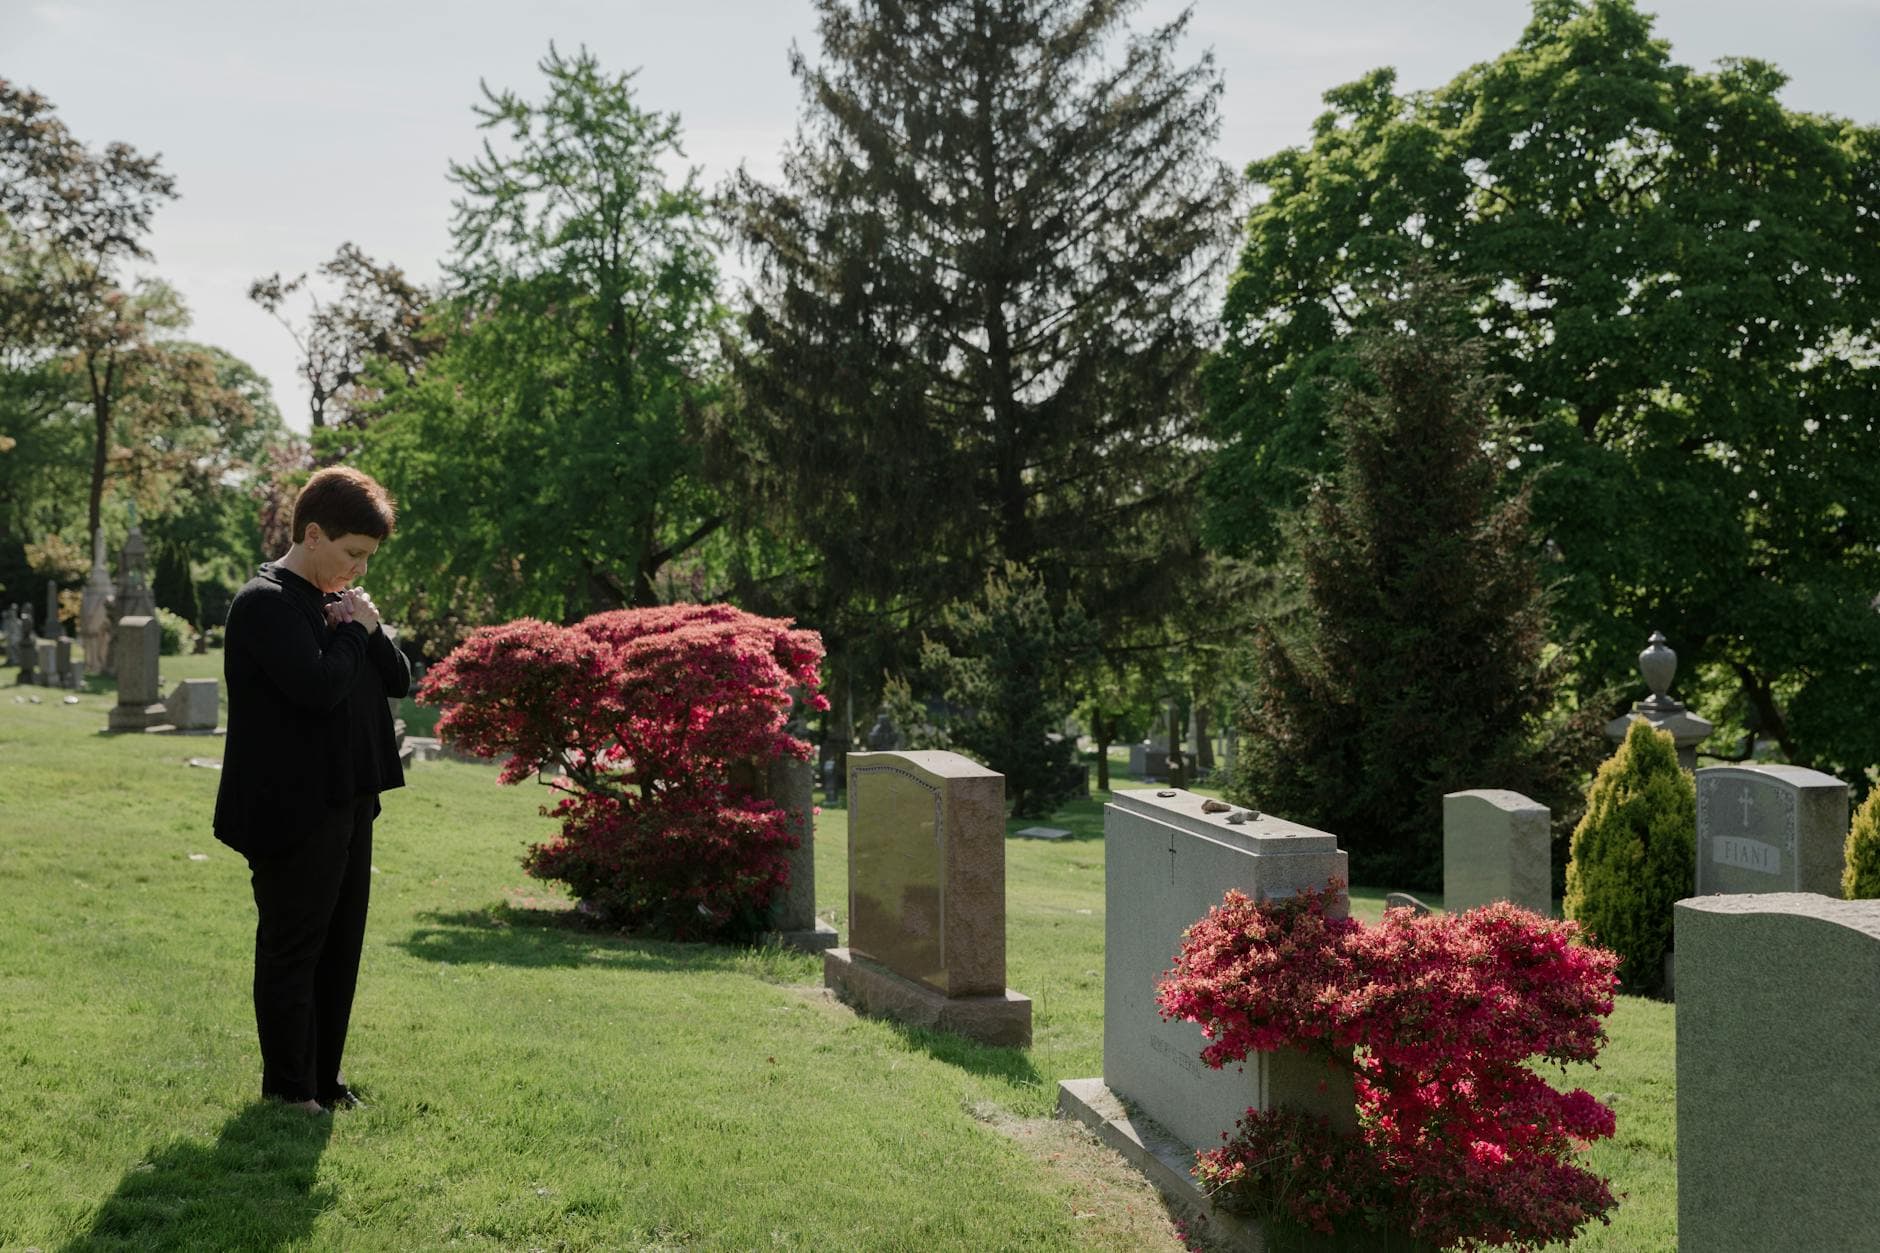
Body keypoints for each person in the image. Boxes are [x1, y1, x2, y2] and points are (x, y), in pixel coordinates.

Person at [213, 466, 409, 1114]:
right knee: (294, 947)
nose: (357, 569)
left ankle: (325, 1080)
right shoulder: (265, 602)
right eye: (352, 554)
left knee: (340, 947)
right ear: (314, 533)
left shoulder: (344, 604)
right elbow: (319, 687)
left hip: (350, 797)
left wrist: (371, 627)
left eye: (367, 559)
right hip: (291, 806)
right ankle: (289, 1088)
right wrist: (352, 631)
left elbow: (399, 680)